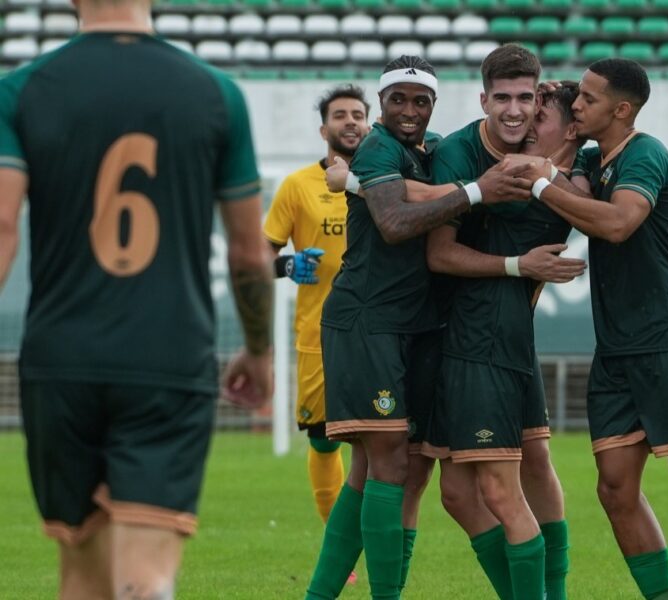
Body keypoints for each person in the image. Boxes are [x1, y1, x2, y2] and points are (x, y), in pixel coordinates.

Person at [0, 2, 274, 598]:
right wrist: (258, 349)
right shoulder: (215, 93)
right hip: (168, 357)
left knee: (81, 576)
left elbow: (1, 225)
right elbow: (250, 255)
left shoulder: (20, 91)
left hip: (59, 360)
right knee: (145, 581)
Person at [305, 55, 531, 600]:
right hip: (369, 322)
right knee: (389, 463)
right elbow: (394, 221)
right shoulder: (380, 147)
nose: (409, 110)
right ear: (381, 104)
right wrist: (477, 192)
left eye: (421, 101)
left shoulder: (421, 154)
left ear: (434, 105)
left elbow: (414, 194)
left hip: (412, 326)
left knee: (370, 471)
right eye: (399, 100)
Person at [517, 58, 668, 600]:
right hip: (616, 347)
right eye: (578, 98)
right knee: (615, 489)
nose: (580, 106)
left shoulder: (647, 153)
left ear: (622, 109)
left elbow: (616, 224)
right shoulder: (595, 156)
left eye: (588, 99)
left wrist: (544, 188)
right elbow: (573, 185)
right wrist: (551, 106)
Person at [426, 45, 580, 600]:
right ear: (484, 98)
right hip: (470, 339)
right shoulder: (461, 152)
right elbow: (437, 252)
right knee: (460, 493)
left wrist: (559, 152)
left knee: (504, 482)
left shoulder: (563, 178)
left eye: (529, 101)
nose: (517, 113)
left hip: (484, 342)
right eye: (505, 99)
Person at [263, 84, 371, 535]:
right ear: (323, 128)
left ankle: (381, 539)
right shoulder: (297, 185)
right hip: (318, 334)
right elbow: (258, 257)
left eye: (358, 115)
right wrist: (286, 263)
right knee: (325, 443)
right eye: (340, 115)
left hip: (381, 329)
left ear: (369, 124)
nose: (350, 121)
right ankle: (340, 547)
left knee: (386, 443)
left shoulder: (390, 180)